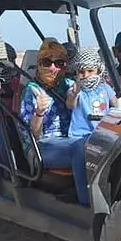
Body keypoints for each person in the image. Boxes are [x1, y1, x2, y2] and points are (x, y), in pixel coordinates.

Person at [18, 39, 86, 202]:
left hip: (69, 139)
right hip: (40, 147)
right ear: (39, 64)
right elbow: (34, 134)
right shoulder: (32, 91)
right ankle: (87, 203)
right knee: (80, 147)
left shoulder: (68, 84)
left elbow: (71, 101)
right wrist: (39, 112)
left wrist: (74, 96)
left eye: (59, 63)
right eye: (47, 62)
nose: (52, 68)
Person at [65, 46, 117, 206]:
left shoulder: (105, 88)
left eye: (90, 71)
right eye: (81, 72)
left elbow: (116, 105)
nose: (86, 75)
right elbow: (70, 104)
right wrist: (74, 93)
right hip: (80, 136)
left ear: (98, 71)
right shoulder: (76, 89)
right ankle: (85, 200)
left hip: (102, 134)